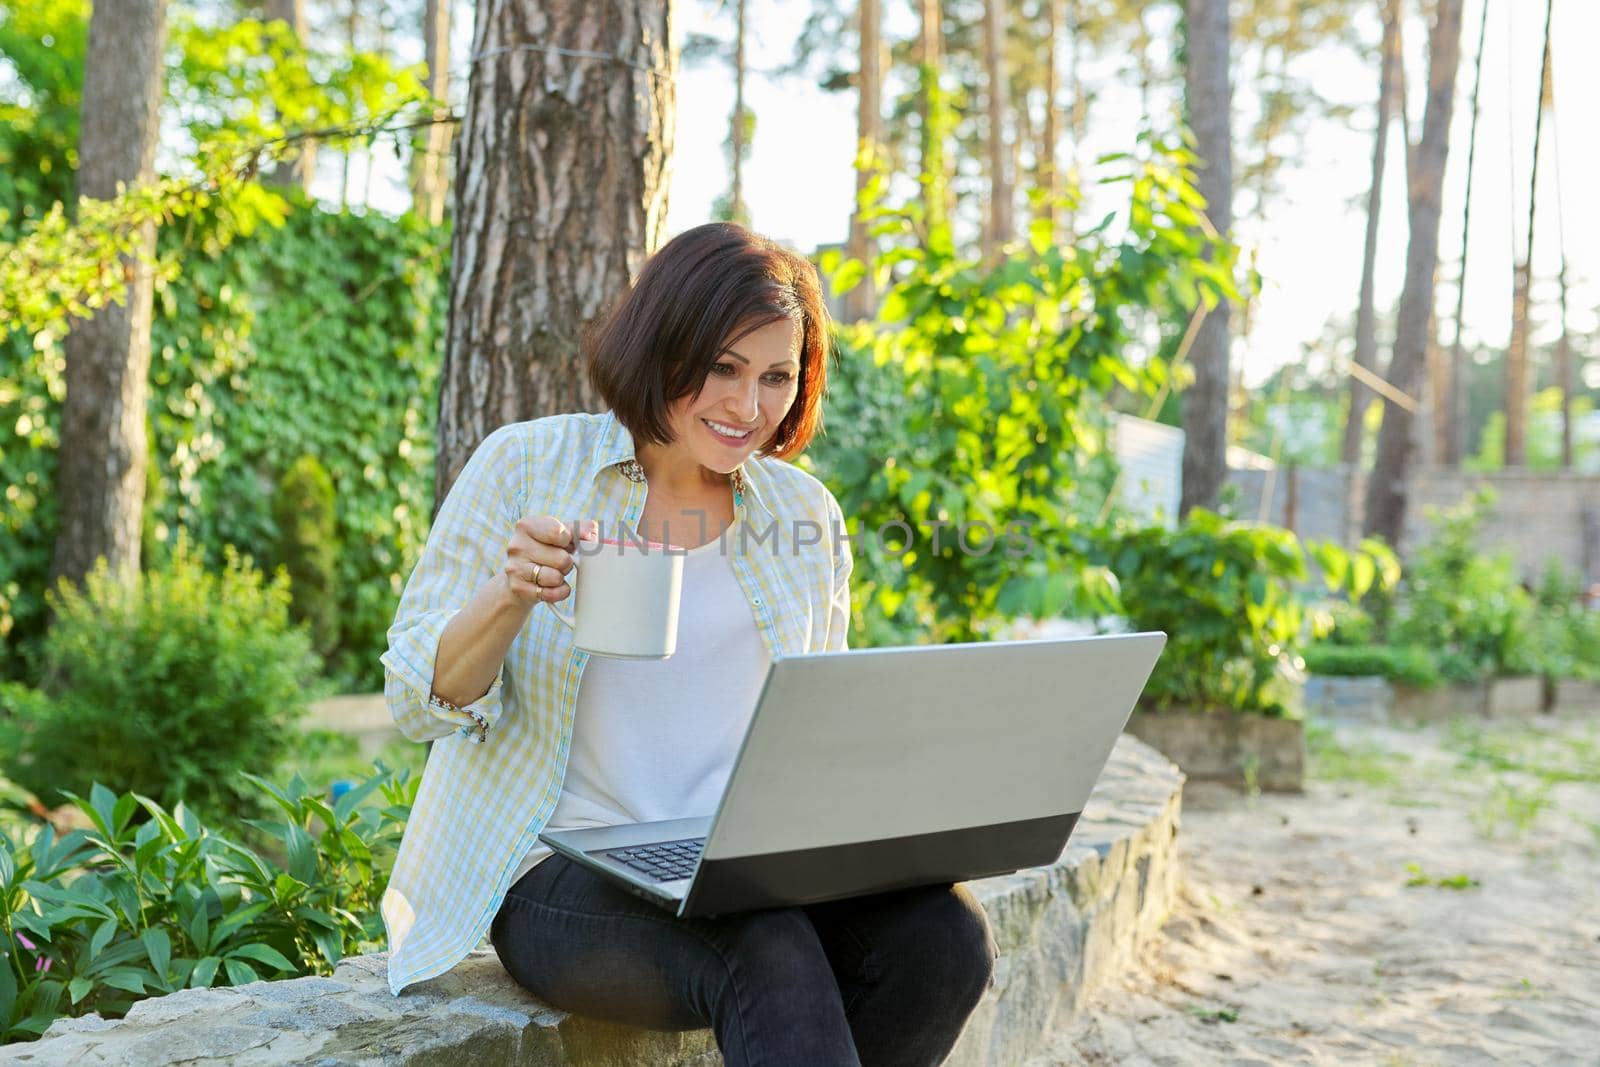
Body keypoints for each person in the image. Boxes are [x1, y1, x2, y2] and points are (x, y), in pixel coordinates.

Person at [379, 223, 997, 1065]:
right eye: (723, 368)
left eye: (777, 376)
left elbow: (818, 730)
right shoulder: (525, 465)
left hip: (740, 859)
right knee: (759, 936)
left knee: (945, 936)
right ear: (663, 345)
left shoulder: (802, 513)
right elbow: (418, 699)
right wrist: (511, 592)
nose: (748, 407)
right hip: (556, 873)